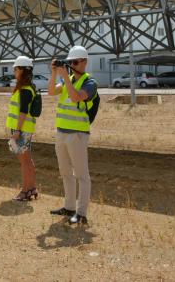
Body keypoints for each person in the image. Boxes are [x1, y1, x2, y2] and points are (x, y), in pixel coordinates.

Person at [47, 46, 97, 226]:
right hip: (61, 133)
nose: (72, 65)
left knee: (82, 175)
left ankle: (81, 213)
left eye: (75, 62)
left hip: (77, 135)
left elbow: (76, 97)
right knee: (65, 172)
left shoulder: (89, 82)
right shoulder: (68, 81)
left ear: (84, 62)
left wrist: (65, 76)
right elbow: (51, 91)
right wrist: (54, 73)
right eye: (70, 62)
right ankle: (69, 207)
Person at [6, 56, 38, 201]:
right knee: (27, 160)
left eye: (16, 68)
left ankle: (25, 190)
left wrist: (17, 131)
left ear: (23, 71)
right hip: (24, 129)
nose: (14, 71)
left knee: (24, 161)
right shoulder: (27, 88)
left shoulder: (25, 89)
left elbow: (23, 111)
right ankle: (32, 188)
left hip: (22, 130)